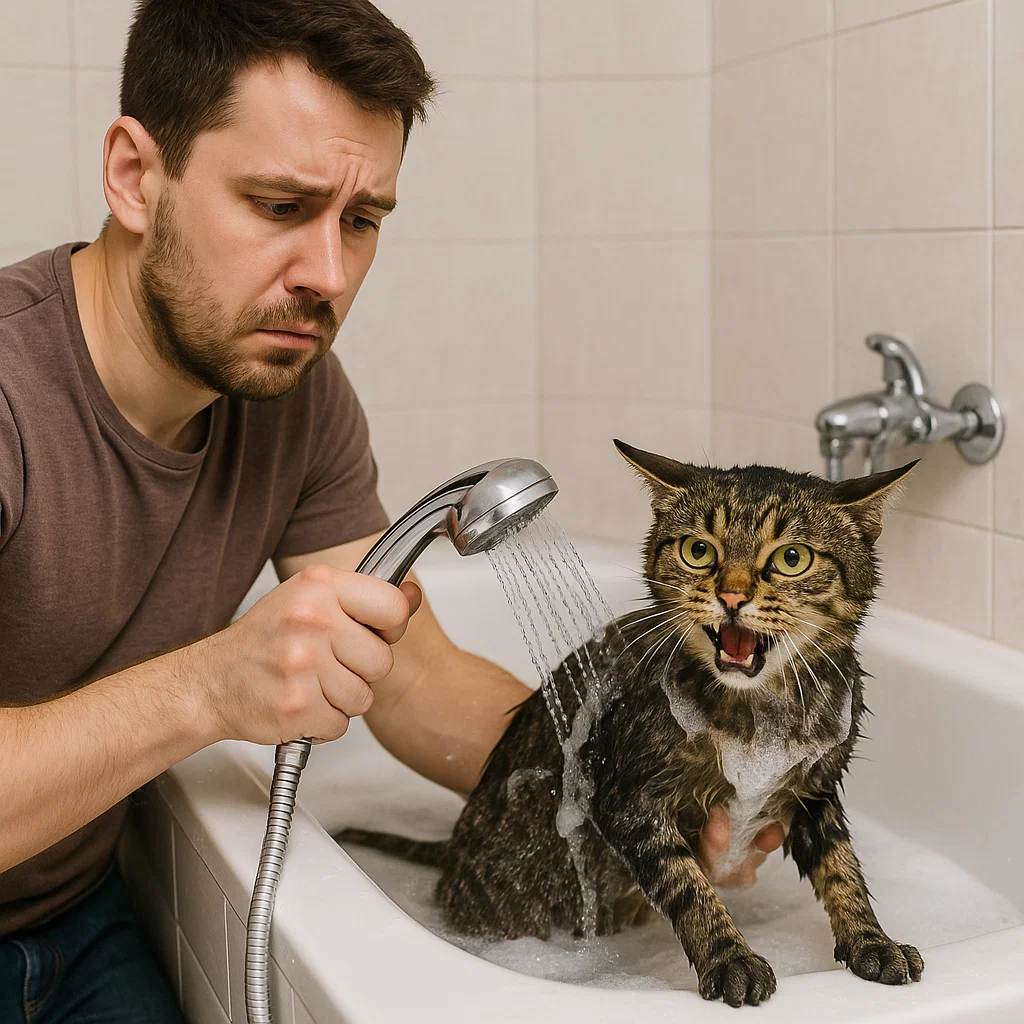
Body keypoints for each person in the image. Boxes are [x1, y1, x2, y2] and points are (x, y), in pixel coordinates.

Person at [0, 1, 783, 1020]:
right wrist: (208, 687)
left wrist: (640, 788)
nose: (327, 276)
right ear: (136, 176)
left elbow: (414, 679)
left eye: (361, 220)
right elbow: (213, 689)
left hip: (72, 916)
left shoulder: (293, 395)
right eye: (280, 206)